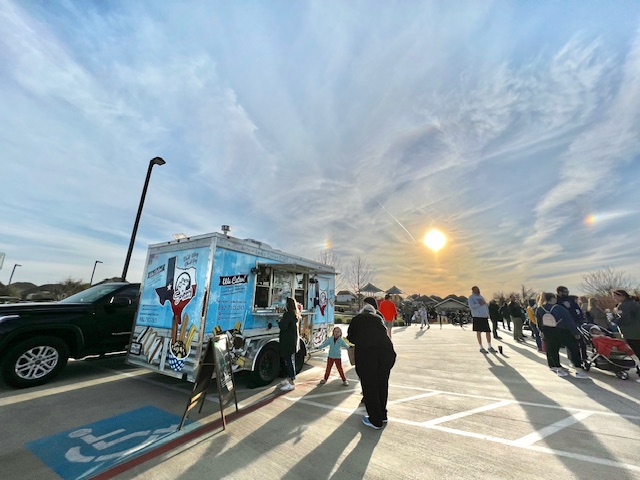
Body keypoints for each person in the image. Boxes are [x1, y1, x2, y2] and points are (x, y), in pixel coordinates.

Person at [347, 297, 397, 430]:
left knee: (370, 385)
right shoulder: (379, 318)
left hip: (368, 354)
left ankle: (375, 420)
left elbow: (351, 337)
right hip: (387, 352)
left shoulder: (357, 319)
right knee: (382, 383)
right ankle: (383, 415)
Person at [536, 292, 587, 378]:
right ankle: (578, 369)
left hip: (548, 332)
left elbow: (539, 323)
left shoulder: (540, 309)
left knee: (553, 350)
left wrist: (542, 331)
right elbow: (568, 321)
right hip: (563, 331)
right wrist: (575, 333)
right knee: (573, 349)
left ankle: (558, 368)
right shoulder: (559, 308)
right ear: (552, 298)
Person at [612, 290, 640, 382]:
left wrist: (614, 319)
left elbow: (625, 319)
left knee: (636, 352)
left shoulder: (624, 305)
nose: (614, 298)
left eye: (615, 296)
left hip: (631, 332)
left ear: (622, 296)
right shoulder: (635, 303)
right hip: (637, 330)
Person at [278, 297, 300, 392]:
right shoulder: (295, 314)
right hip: (292, 342)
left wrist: (279, 321)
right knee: (290, 361)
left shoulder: (287, 315)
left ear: (288, 305)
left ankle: (291, 383)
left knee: (288, 362)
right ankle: (289, 379)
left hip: (287, 342)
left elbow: (283, 326)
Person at [468, 286, 495, 353]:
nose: (478, 290)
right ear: (473, 290)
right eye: (476, 289)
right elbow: (471, 306)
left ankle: (489, 346)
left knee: (488, 331)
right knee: (479, 332)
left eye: (478, 289)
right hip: (477, 316)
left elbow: (485, 306)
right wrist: (479, 304)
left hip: (484, 317)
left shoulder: (481, 297)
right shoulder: (471, 297)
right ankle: (481, 347)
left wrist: (487, 313)